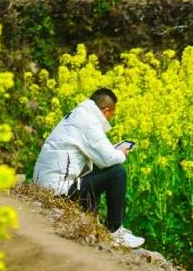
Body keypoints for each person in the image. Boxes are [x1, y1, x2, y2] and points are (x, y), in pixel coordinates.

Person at [32, 87, 145, 247]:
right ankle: (115, 231)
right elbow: (109, 159)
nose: (110, 120)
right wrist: (122, 153)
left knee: (97, 169)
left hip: (47, 186)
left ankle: (93, 221)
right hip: (57, 192)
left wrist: (112, 152)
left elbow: (96, 154)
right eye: (111, 115)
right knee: (117, 172)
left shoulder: (77, 115)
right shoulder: (89, 121)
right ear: (106, 111)